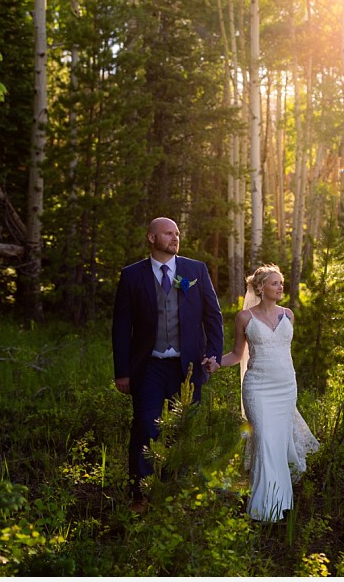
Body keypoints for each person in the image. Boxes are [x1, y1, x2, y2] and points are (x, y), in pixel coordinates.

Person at [111, 217, 223, 513]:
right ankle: (141, 495)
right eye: (168, 233)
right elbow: (122, 326)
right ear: (151, 238)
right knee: (144, 426)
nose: (175, 237)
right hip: (148, 366)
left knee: (187, 429)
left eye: (177, 233)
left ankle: (182, 493)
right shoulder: (132, 275)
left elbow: (213, 316)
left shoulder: (195, 270)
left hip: (187, 367)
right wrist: (122, 371)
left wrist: (214, 354)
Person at [206, 264, 319, 522]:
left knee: (277, 445)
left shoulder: (288, 315)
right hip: (257, 388)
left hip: (285, 388)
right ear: (260, 288)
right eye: (275, 283)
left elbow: (283, 351)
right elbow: (237, 355)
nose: (281, 287)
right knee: (265, 441)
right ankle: (262, 509)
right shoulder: (245, 318)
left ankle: (281, 503)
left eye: (281, 283)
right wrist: (216, 363)